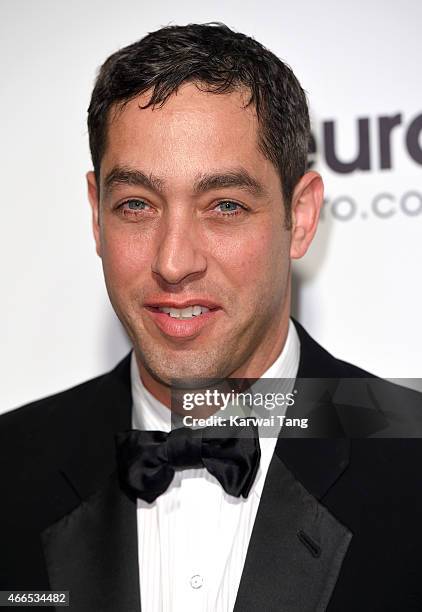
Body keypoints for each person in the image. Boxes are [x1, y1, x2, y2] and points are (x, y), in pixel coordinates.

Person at [1, 22, 422, 612]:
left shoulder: (411, 451)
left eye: (224, 205)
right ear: (96, 215)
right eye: (136, 205)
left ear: (299, 218)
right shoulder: (10, 468)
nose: (173, 262)